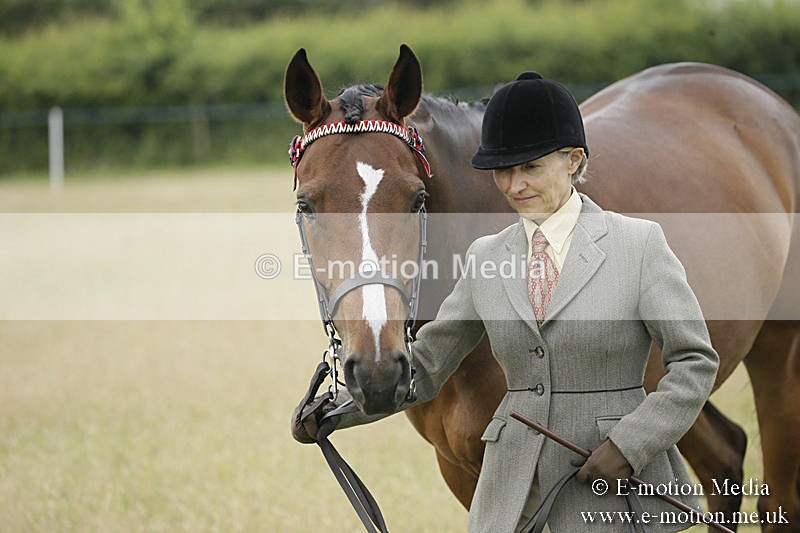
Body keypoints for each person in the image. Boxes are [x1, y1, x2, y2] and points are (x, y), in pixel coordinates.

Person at [293, 72, 719, 532]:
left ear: (574, 161)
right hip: (509, 492)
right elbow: (430, 363)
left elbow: (694, 361)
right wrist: (336, 411)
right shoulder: (487, 257)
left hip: (616, 489)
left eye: (531, 168)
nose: (515, 186)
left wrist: (630, 445)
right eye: (503, 170)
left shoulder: (639, 245)